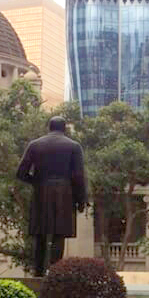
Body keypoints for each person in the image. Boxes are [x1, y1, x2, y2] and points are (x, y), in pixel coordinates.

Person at [16, 116, 89, 277]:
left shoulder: (34, 145)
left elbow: (20, 173)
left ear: (49, 127)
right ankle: (55, 273)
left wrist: (36, 181)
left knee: (40, 234)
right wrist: (81, 199)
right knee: (59, 235)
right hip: (64, 193)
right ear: (64, 128)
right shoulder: (74, 146)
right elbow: (78, 176)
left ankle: (38, 273)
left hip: (41, 192)